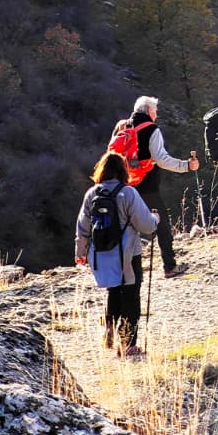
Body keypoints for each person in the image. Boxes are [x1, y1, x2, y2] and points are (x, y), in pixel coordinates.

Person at [74, 151, 159, 357]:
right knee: (131, 296)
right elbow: (146, 225)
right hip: (128, 254)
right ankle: (127, 344)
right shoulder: (128, 193)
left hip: (102, 254)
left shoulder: (92, 194)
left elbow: (82, 227)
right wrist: (155, 218)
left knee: (113, 291)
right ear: (123, 171)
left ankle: (109, 331)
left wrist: (80, 253)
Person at [115, 95, 200, 279]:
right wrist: (185, 165)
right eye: (155, 110)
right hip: (147, 186)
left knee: (127, 226)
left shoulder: (122, 127)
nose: (157, 113)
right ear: (148, 111)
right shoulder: (151, 129)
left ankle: (122, 270)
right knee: (162, 224)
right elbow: (161, 159)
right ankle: (169, 266)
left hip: (122, 185)